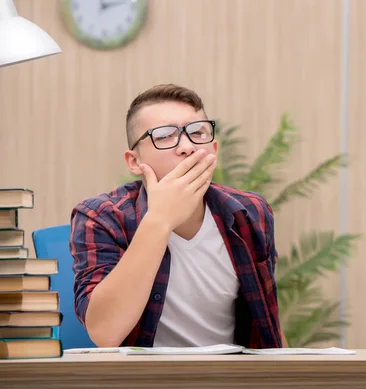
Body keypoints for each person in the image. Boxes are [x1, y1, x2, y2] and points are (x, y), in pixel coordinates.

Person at [69, 83, 286, 349]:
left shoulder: (251, 211)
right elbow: (105, 333)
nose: (187, 147)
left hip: (230, 382)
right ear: (134, 162)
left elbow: (268, 324)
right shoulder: (101, 216)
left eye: (197, 133)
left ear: (214, 150)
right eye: (164, 136)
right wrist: (160, 219)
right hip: (143, 385)